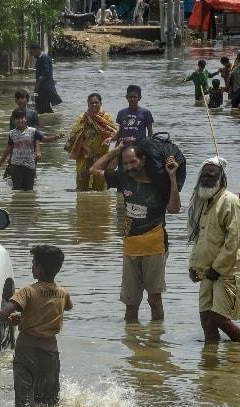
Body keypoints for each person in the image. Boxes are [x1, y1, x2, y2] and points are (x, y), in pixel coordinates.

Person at [89, 141, 181, 322]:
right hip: (130, 246)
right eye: (126, 163)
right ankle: (132, 343)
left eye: (133, 162)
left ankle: (155, 342)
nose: (129, 167)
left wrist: (172, 177)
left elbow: (174, 209)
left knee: (154, 300)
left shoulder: (159, 183)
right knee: (130, 303)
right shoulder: (123, 178)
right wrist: (116, 150)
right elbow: (93, 170)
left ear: (143, 160)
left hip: (155, 246)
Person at [0, 245, 72, 407]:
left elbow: (2, 314)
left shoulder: (27, 291)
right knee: (49, 402)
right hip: (50, 355)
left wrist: (11, 319)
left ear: (39, 268)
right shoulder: (63, 293)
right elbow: (66, 307)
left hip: (26, 354)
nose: (31, 266)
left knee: (24, 402)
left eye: (33, 263)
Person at [187, 157, 240, 342]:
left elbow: (233, 241)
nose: (207, 179)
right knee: (207, 320)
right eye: (204, 175)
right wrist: (192, 266)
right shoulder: (204, 202)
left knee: (220, 318)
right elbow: (198, 239)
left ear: (221, 178)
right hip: (205, 272)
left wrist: (216, 269)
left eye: (212, 175)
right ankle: (210, 367)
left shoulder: (230, 201)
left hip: (225, 272)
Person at [0, 110, 64, 191]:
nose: (20, 120)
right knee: (16, 189)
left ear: (25, 119)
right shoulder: (12, 133)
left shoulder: (33, 131)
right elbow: (8, 148)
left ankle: (28, 203)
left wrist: (56, 137)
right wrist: (1, 162)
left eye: (22, 118)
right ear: (13, 120)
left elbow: (44, 139)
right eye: (17, 118)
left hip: (30, 165)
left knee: (29, 190)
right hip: (16, 165)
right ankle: (16, 203)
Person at [66, 93, 118, 191]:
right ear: (88, 104)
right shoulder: (83, 117)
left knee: (100, 187)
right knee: (82, 185)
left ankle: (98, 204)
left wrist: (109, 140)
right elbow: (76, 136)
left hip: (101, 155)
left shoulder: (106, 117)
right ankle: (82, 205)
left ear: (100, 103)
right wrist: (87, 149)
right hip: (85, 155)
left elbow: (114, 133)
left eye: (96, 102)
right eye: (91, 103)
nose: (94, 105)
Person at [29, 44, 62, 114]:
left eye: (32, 53)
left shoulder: (44, 58)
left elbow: (45, 73)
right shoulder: (40, 58)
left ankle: (51, 120)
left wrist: (37, 84)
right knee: (40, 105)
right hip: (43, 87)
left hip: (46, 87)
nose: (32, 55)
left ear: (37, 50)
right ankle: (47, 120)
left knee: (43, 105)